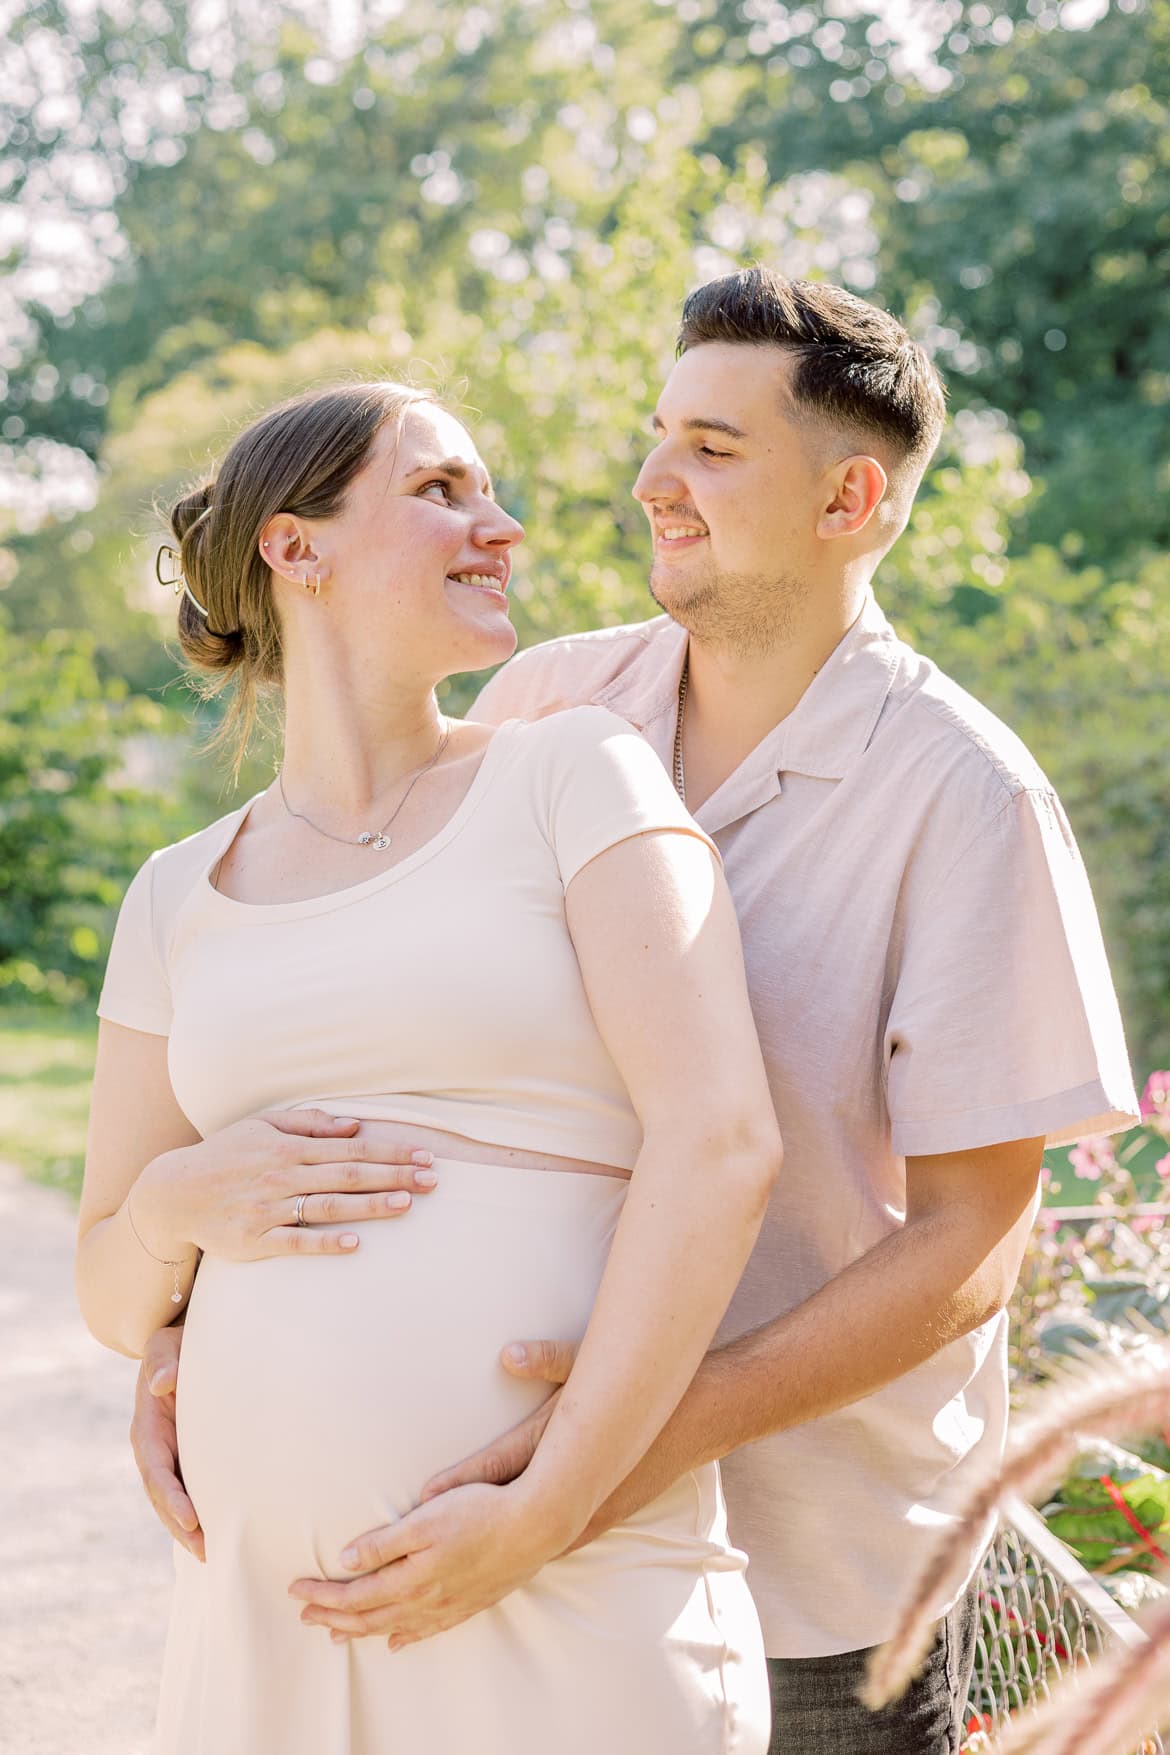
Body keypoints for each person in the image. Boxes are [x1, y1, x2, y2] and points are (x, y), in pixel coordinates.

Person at [131, 270, 1139, 1754]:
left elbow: (970, 1241)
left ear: (849, 498)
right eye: (659, 434)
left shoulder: (965, 799)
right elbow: (380, 1016)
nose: (648, 482)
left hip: (812, 1565)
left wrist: (625, 1440)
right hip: (486, 1531)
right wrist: (195, 1337)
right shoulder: (549, 702)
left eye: (713, 450)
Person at [80, 379, 783, 1754]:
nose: (501, 527)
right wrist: (176, 1209)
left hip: (566, 1568)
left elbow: (721, 1142)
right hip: (270, 1621)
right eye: (442, 491)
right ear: (299, 548)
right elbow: (112, 1285)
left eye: (489, 494)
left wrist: (546, 1507)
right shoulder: (175, 898)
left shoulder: (574, 774)